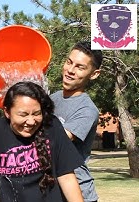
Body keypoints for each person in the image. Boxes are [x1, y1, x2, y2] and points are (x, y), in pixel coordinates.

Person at [0, 81, 84, 202]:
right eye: (23, 115)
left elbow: (66, 176)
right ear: (7, 112)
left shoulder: (52, 126)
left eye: (36, 114)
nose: (31, 121)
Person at [50, 41, 102, 202]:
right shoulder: (53, 98)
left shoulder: (87, 110)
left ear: (94, 74)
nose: (70, 71)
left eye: (80, 67)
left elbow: (57, 142)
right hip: (54, 190)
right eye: (69, 62)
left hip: (78, 192)